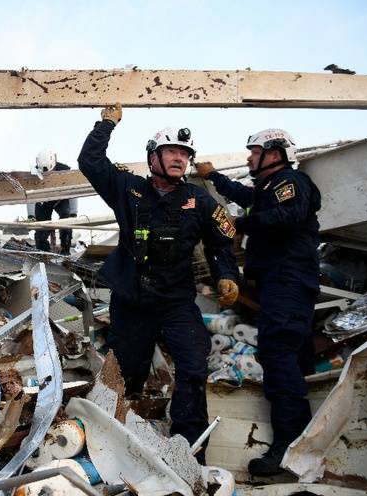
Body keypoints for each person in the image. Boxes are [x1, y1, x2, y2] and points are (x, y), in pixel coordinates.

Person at [78, 103, 239, 462]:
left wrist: (227, 275)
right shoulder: (128, 189)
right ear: (153, 157)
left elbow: (221, 243)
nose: (180, 159)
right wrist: (106, 124)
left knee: (194, 368)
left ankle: (188, 454)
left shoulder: (199, 200)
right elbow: (90, 162)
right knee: (125, 376)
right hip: (133, 301)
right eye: (172, 152)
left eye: (184, 153)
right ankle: (114, 448)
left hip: (176, 303)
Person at [196, 129, 321, 476]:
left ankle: (290, 445)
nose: (249, 158)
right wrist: (213, 177)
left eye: (254, 152)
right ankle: (309, 437)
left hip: (288, 278)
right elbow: (247, 195)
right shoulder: (268, 189)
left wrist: (239, 223)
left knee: (277, 352)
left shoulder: (291, 181)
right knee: (292, 354)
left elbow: (286, 216)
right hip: (281, 281)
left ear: (275, 152)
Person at [26, 149, 78, 254]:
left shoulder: (65, 170)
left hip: (60, 199)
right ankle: (44, 254)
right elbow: (30, 194)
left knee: (66, 220)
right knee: (41, 228)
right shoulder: (33, 174)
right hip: (43, 202)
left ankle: (65, 250)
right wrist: (31, 215)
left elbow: (74, 190)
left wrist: (73, 212)